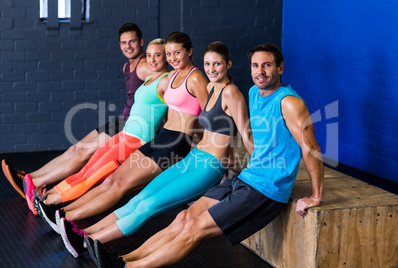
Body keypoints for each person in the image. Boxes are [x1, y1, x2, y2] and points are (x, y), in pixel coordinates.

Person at [89, 44, 325, 267]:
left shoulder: (290, 103)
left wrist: (315, 196)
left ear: (280, 68)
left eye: (267, 65)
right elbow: (255, 137)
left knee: (195, 229)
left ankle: (130, 267)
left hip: (266, 189)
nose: (260, 71)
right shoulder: (255, 93)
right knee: (183, 217)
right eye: (255, 65)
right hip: (245, 178)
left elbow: (310, 149)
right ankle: (124, 259)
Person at [57, 41, 254, 258]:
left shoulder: (232, 93)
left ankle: (87, 243)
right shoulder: (210, 88)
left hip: (209, 167)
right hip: (194, 158)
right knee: (138, 199)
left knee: (148, 205)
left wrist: (254, 171)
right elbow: (214, 126)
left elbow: (246, 134)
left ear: (228, 64)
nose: (211, 69)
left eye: (217, 64)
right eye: (208, 64)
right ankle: (83, 233)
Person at [34, 32, 209, 237]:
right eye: (169, 54)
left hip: (176, 142)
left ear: (190, 51)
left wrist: (208, 145)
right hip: (161, 138)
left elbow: (208, 114)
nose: (172, 58)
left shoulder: (196, 77)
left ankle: (70, 221)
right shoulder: (172, 77)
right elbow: (177, 111)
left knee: (120, 186)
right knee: (110, 181)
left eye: (176, 53)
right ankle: (61, 214)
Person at [1, 22, 152, 205]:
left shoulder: (144, 66)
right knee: (74, 150)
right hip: (121, 119)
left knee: (82, 155)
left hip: (130, 126)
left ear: (141, 42)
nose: (128, 46)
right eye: (123, 42)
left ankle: (38, 184)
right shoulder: (127, 67)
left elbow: (163, 88)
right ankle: (29, 178)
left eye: (132, 42)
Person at [28, 38, 169, 226]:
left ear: (166, 57)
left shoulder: (167, 80)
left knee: (90, 178)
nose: (152, 60)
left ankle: (49, 204)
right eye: (149, 55)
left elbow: (177, 106)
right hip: (124, 135)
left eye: (157, 55)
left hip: (137, 141)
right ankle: (45, 199)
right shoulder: (150, 78)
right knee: (84, 172)